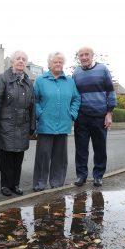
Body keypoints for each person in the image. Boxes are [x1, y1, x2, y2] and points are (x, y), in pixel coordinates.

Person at [0, 51, 35, 197]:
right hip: (7, 123)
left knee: (19, 156)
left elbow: (32, 104)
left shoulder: (28, 81)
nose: (21, 61)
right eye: (18, 59)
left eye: (23, 59)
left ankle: (15, 184)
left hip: (23, 124)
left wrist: (32, 125)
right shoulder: (3, 78)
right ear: (12, 62)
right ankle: (5, 186)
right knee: (7, 156)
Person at [32, 52, 80, 192]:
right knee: (43, 156)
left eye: (60, 62)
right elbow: (34, 100)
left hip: (63, 124)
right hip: (45, 124)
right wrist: (40, 113)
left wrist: (72, 114)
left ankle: (57, 182)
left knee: (60, 157)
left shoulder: (70, 82)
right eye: (55, 62)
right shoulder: (40, 80)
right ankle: (40, 183)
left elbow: (76, 99)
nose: (58, 64)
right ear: (49, 64)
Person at [72, 46, 117, 187]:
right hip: (82, 117)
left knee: (100, 149)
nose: (84, 57)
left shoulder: (102, 69)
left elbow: (111, 91)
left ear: (92, 56)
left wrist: (109, 113)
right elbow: (74, 95)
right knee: (81, 149)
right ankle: (81, 176)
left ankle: (98, 176)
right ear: (78, 57)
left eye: (87, 54)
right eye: (81, 55)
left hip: (99, 116)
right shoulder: (76, 73)